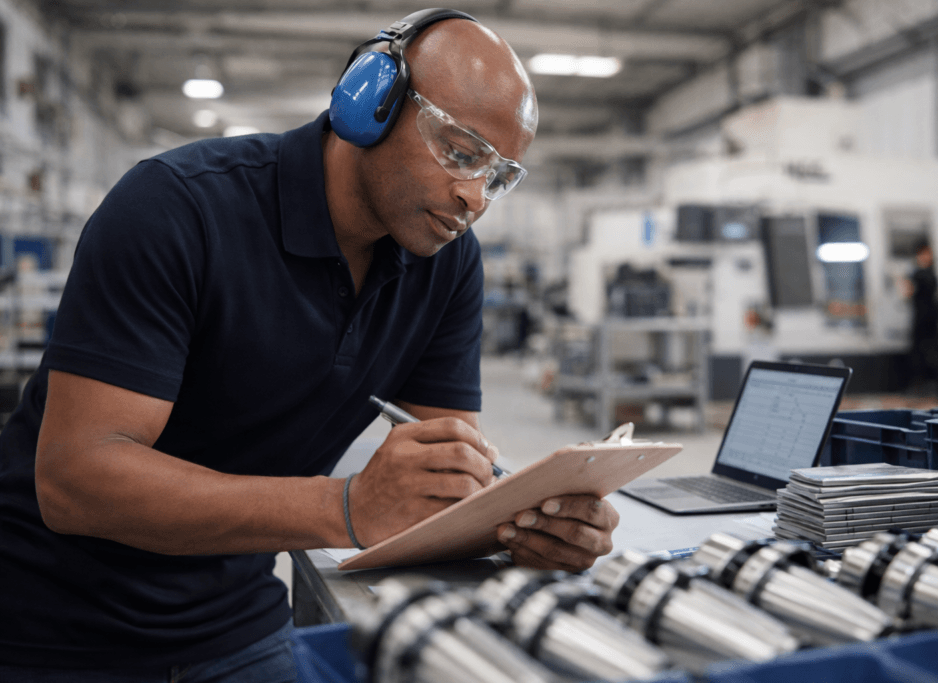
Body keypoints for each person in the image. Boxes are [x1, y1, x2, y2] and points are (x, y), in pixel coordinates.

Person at [0, 9, 619, 680]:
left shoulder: (448, 261)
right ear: (369, 101)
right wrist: (343, 506)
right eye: (461, 152)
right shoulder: (176, 208)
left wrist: (530, 526)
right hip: (52, 628)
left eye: (498, 176)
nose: (475, 197)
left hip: (234, 619)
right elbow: (74, 481)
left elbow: (440, 485)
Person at [906, 240, 938, 400]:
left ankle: (934, 390)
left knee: (933, 356)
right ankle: (922, 389)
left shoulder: (927, 274)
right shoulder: (918, 274)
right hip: (921, 321)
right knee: (920, 356)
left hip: (930, 322)